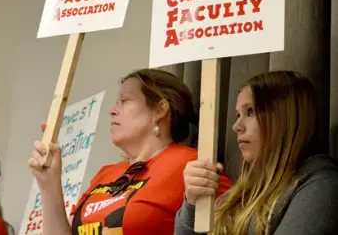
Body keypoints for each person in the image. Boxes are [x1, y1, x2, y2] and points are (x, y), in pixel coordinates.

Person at [28, 68, 233, 235]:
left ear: (160, 109)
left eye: (125, 100)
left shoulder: (192, 164)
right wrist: (49, 184)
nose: (113, 110)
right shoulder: (106, 174)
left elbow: (231, 226)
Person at [175, 70, 338, 234]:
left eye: (250, 112)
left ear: (285, 117)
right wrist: (192, 203)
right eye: (238, 115)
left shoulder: (321, 184)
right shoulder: (237, 194)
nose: (236, 126)